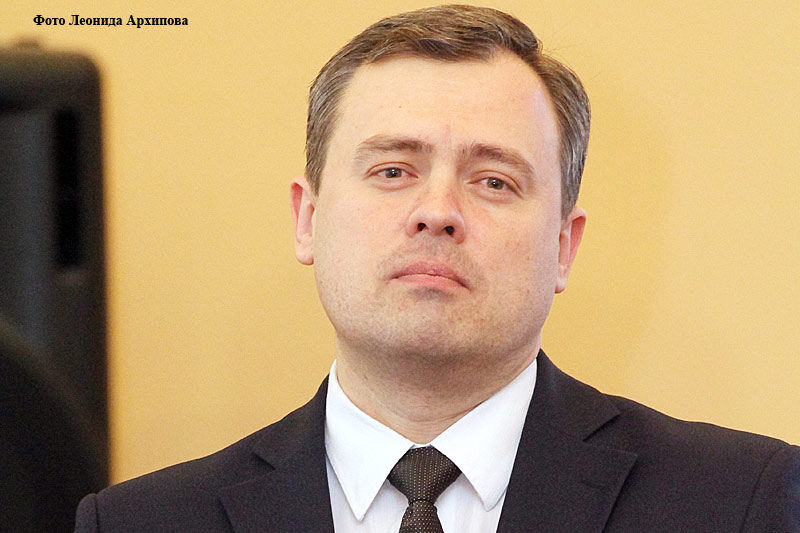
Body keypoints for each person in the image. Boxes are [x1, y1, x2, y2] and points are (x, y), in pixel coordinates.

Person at [75, 5, 799, 532]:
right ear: (307, 218)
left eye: (494, 181)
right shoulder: (141, 521)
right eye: (393, 170)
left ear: (563, 246)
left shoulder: (744, 502)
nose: (437, 211)